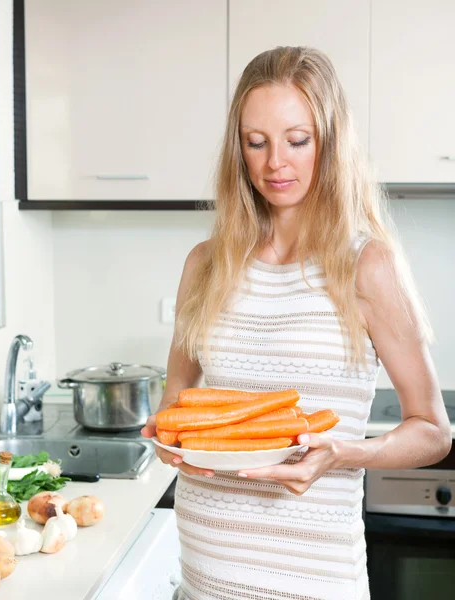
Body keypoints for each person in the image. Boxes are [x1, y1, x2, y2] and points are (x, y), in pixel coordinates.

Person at [141, 46, 451, 600]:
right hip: (203, 577)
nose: (274, 163)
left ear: (329, 143)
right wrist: (168, 438)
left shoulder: (366, 266)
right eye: (255, 142)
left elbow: (432, 430)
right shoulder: (205, 264)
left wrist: (346, 452)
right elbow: (178, 394)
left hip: (312, 582)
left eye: (297, 140)